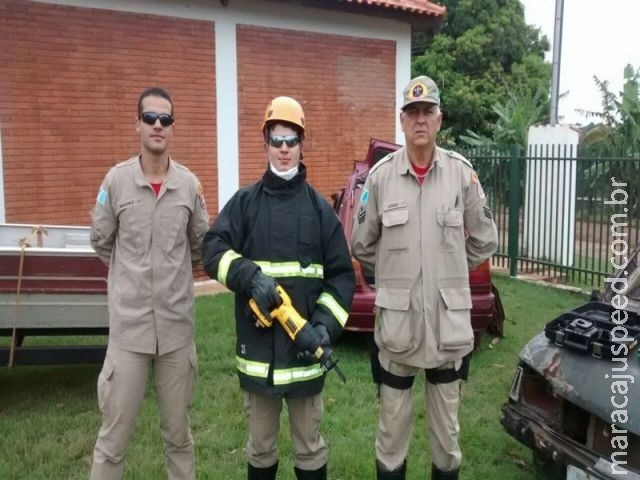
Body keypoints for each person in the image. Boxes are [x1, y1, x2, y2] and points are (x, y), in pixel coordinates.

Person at [351, 76, 498, 480]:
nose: (420, 119)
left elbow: (485, 239)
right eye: (412, 112)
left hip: (446, 330)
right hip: (398, 330)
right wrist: (396, 275)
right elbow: (361, 243)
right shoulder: (380, 179)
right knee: (391, 435)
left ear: (439, 120)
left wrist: (448, 270)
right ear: (402, 120)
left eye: (427, 112)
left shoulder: (461, 175)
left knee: (446, 440)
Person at [202, 96, 355, 480]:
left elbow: (340, 276)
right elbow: (212, 249)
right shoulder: (245, 203)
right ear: (266, 142)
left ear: (302, 143)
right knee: (260, 450)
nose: (284, 149)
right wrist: (248, 276)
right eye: (276, 139)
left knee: (310, 450)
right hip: (260, 359)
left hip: (306, 357)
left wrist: (324, 325)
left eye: (291, 140)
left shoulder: (321, 210)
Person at [89, 87, 209, 480]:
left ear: (173, 127)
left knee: (178, 437)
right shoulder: (117, 181)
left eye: (166, 119)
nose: (159, 125)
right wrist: (132, 276)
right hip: (129, 333)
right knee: (112, 441)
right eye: (151, 118)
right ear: (137, 123)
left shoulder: (189, 186)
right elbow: (101, 240)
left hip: (176, 331)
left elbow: (199, 247)